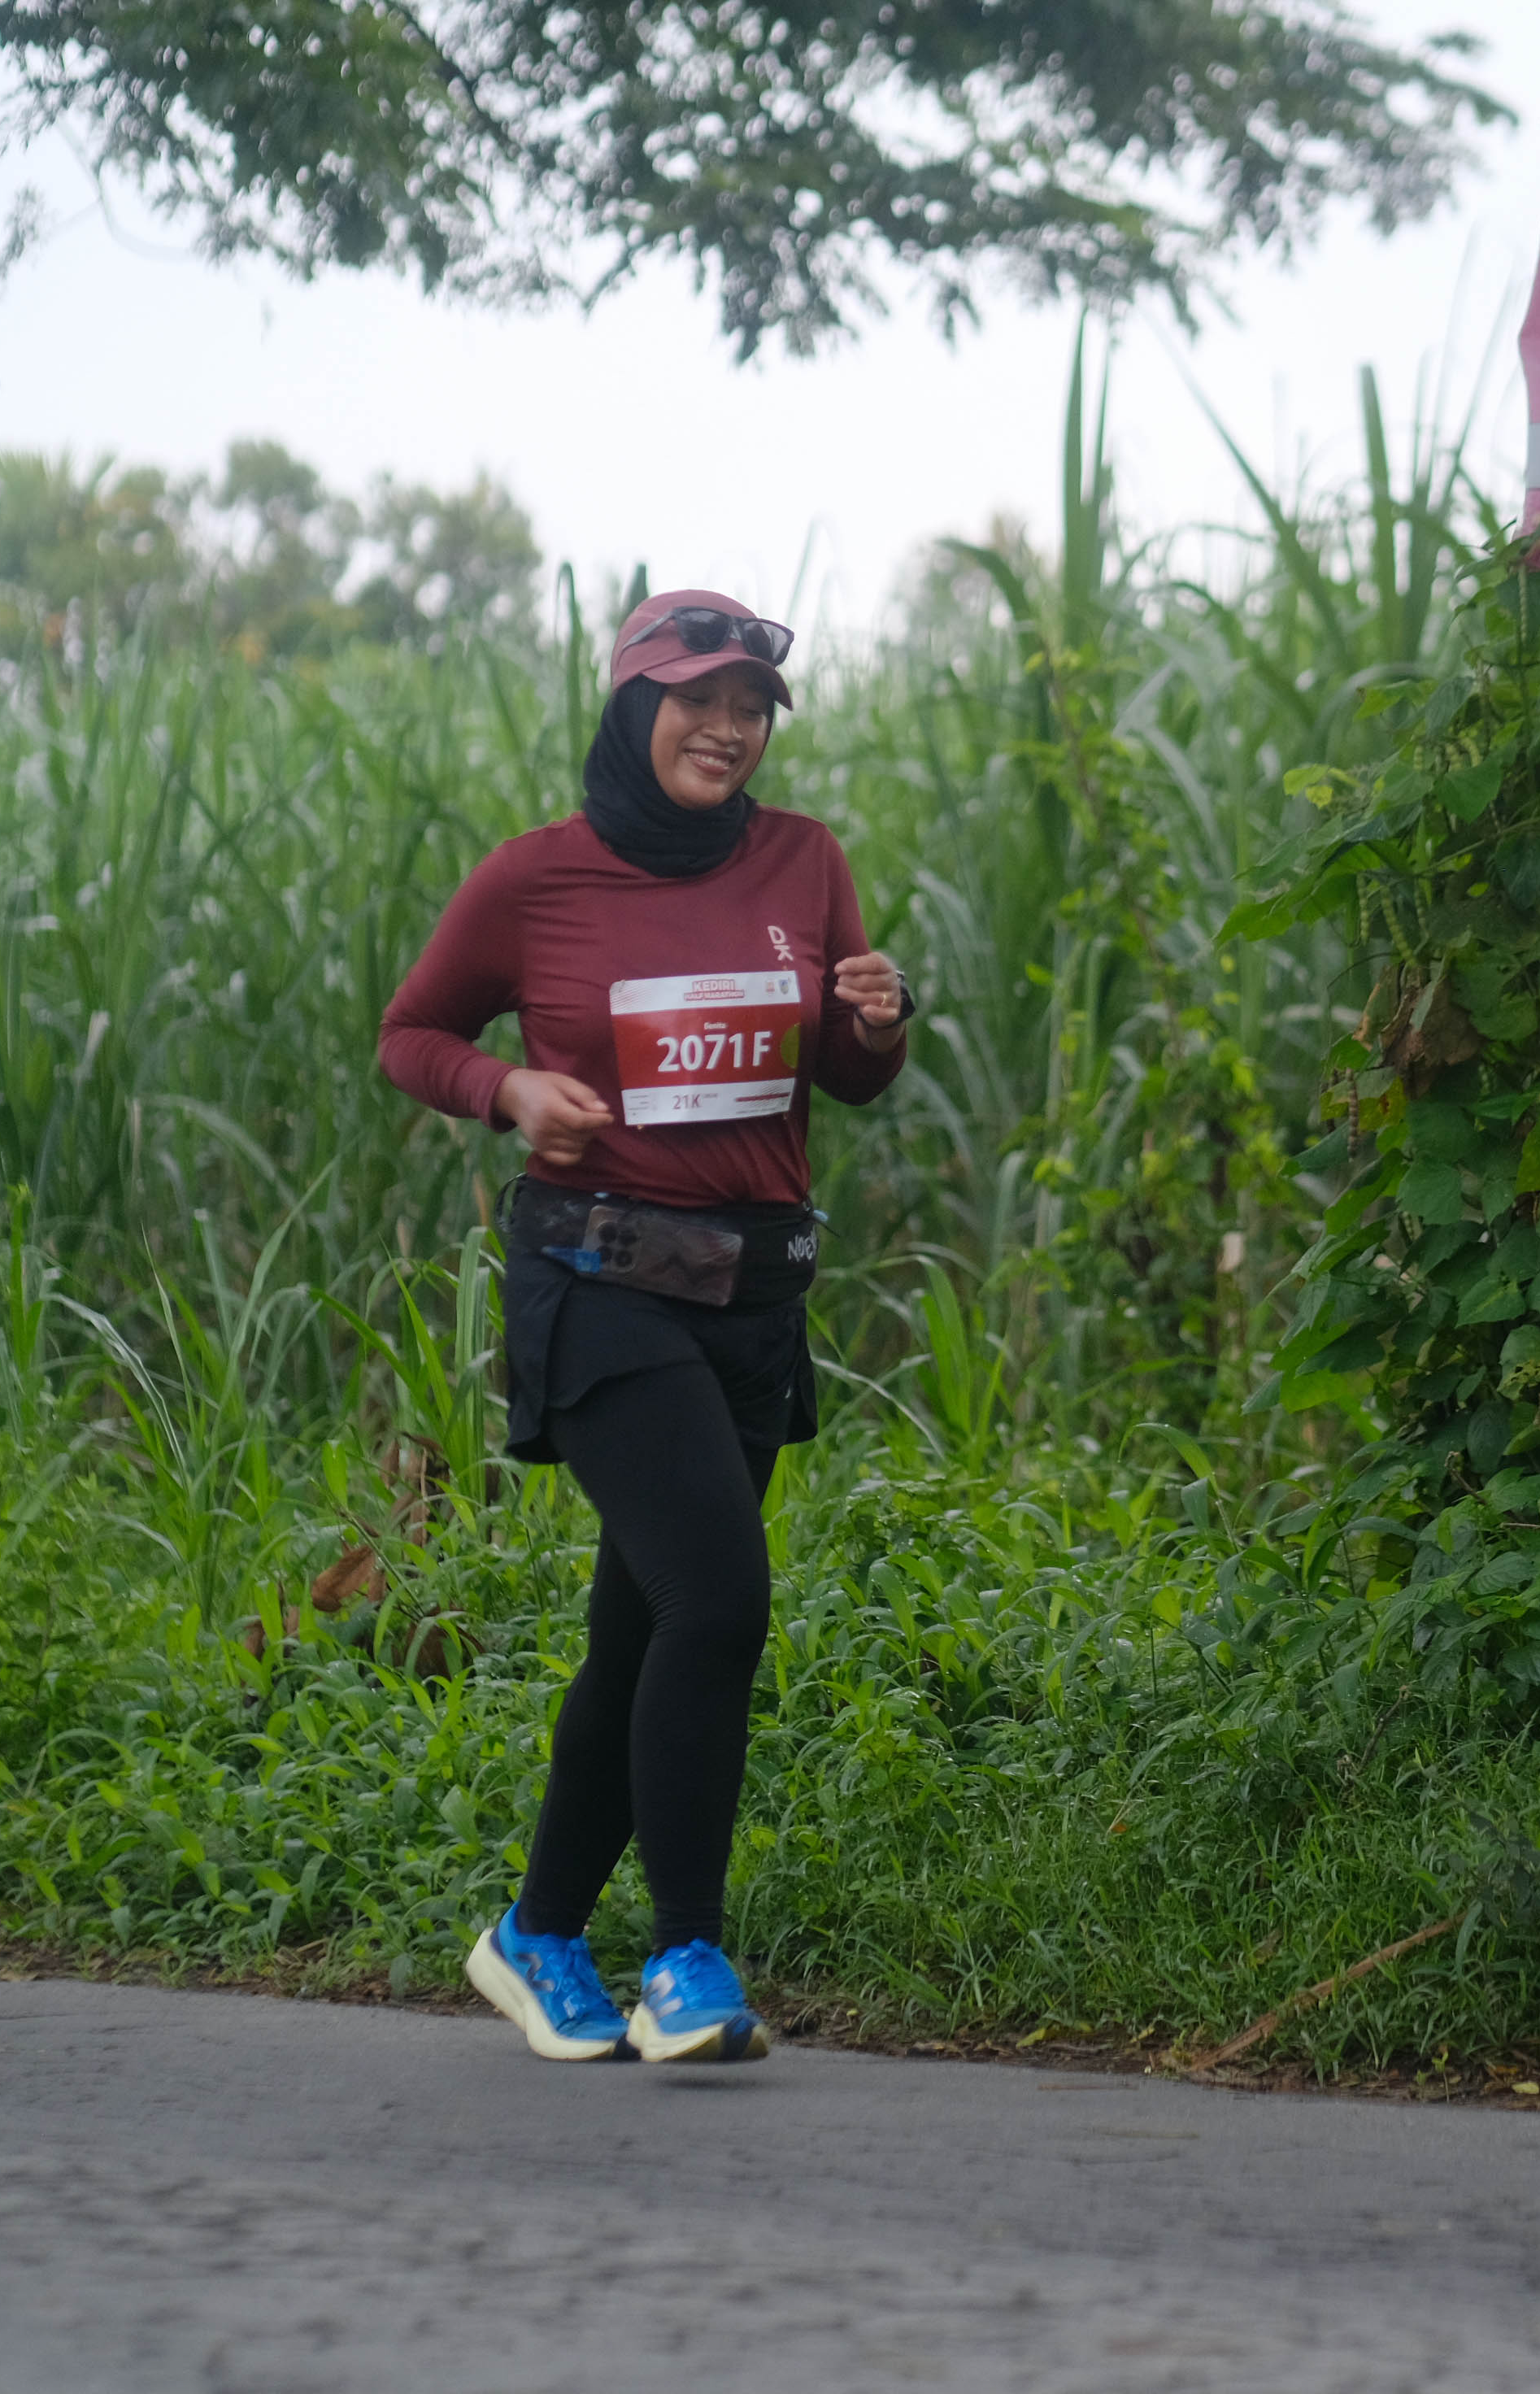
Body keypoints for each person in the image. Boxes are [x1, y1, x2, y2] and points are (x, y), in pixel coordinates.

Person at [376, 589, 911, 2064]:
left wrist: (876, 1019)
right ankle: (686, 1957)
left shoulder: (804, 860)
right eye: (697, 701)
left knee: (643, 1633)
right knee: (720, 1604)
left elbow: (849, 1074)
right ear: (633, 707)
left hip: (755, 1301)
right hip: (600, 1283)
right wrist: (507, 1091)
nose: (726, 730)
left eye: (750, 708)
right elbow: (412, 1033)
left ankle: (538, 1932)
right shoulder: (537, 878)